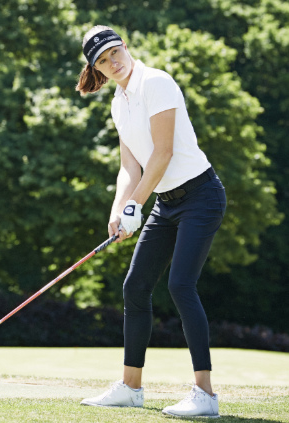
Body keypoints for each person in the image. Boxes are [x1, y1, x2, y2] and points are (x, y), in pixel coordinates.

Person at [75, 25, 227, 418]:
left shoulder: (155, 83)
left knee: (180, 285)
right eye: (104, 61)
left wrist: (135, 206)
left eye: (115, 53)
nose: (113, 63)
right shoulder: (117, 103)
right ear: (98, 69)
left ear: (125, 47)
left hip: (201, 195)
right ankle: (130, 387)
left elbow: (162, 153)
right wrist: (118, 207)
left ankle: (205, 395)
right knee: (135, 286)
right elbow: (130, 165)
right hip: (165, 200)